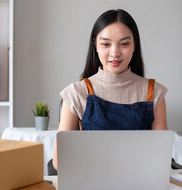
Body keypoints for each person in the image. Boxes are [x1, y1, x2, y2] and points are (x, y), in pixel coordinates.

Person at [52, 9, 167, 170]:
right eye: (106, 44)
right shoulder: (76, 93)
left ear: (135, 45)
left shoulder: (154, 92)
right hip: (90, 185)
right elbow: (59, 162)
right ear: (95, 46)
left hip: (140, 187)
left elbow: (160, 158)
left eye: (124, 44)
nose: (115, 53)